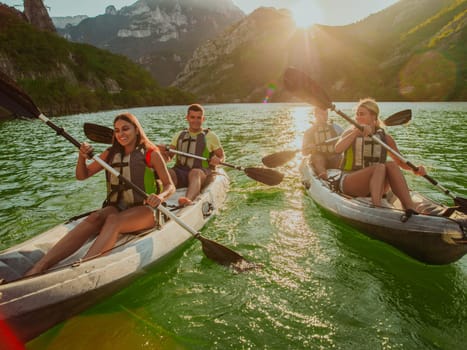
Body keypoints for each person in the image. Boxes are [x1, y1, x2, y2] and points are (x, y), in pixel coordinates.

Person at [26, 112, 175, 275]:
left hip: (145, 210)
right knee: (95, 217)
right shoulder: (110, 154)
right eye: (117, 130)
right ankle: (40, 266)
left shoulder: (151, 153)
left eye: (126, 129)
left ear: (137, 130)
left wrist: (160, 197)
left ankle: (84, 268)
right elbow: (82, 175)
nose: (121, 134)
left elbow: (170, 186)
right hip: (117, 206)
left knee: (113, 221)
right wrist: (82, 157)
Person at [334, 98, 426, 213]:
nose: (357, 117)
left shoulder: (385, 138)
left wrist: (416, 169)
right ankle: (377, 207)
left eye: (362, 114)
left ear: (373, 117)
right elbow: (337, 149)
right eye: (357, 114)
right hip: (350, 182)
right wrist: (356, 132)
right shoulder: (351, 132)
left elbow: (401, 162)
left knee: (391, 165)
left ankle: (410, 207)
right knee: (380, 167)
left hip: (378, 184)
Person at [163, 104, 224, 207]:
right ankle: (161, 199)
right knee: (168, 172)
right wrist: (161, 152)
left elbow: (221, 156)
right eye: (192, 117)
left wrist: (218, 159)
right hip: (181, 171)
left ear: (203, 119)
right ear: (187, 118)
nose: (196, 120)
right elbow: (169, 157)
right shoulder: (179, 135)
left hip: (201, 172)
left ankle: (187, 200)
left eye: (199, 117)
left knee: (194, 172)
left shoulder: (210, 136)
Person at [302, 107, 343, 180]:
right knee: (318, 159)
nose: (324, 117)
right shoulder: (309, 132)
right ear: (315, 115)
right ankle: (323, 174)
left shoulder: (336, 128)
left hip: (334, 155)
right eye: (321, 114)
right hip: (319, 156)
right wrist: (308, 148)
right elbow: (304, 153)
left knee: (339, 158)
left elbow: (345, 141)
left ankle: (341, 178)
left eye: (325, 114)